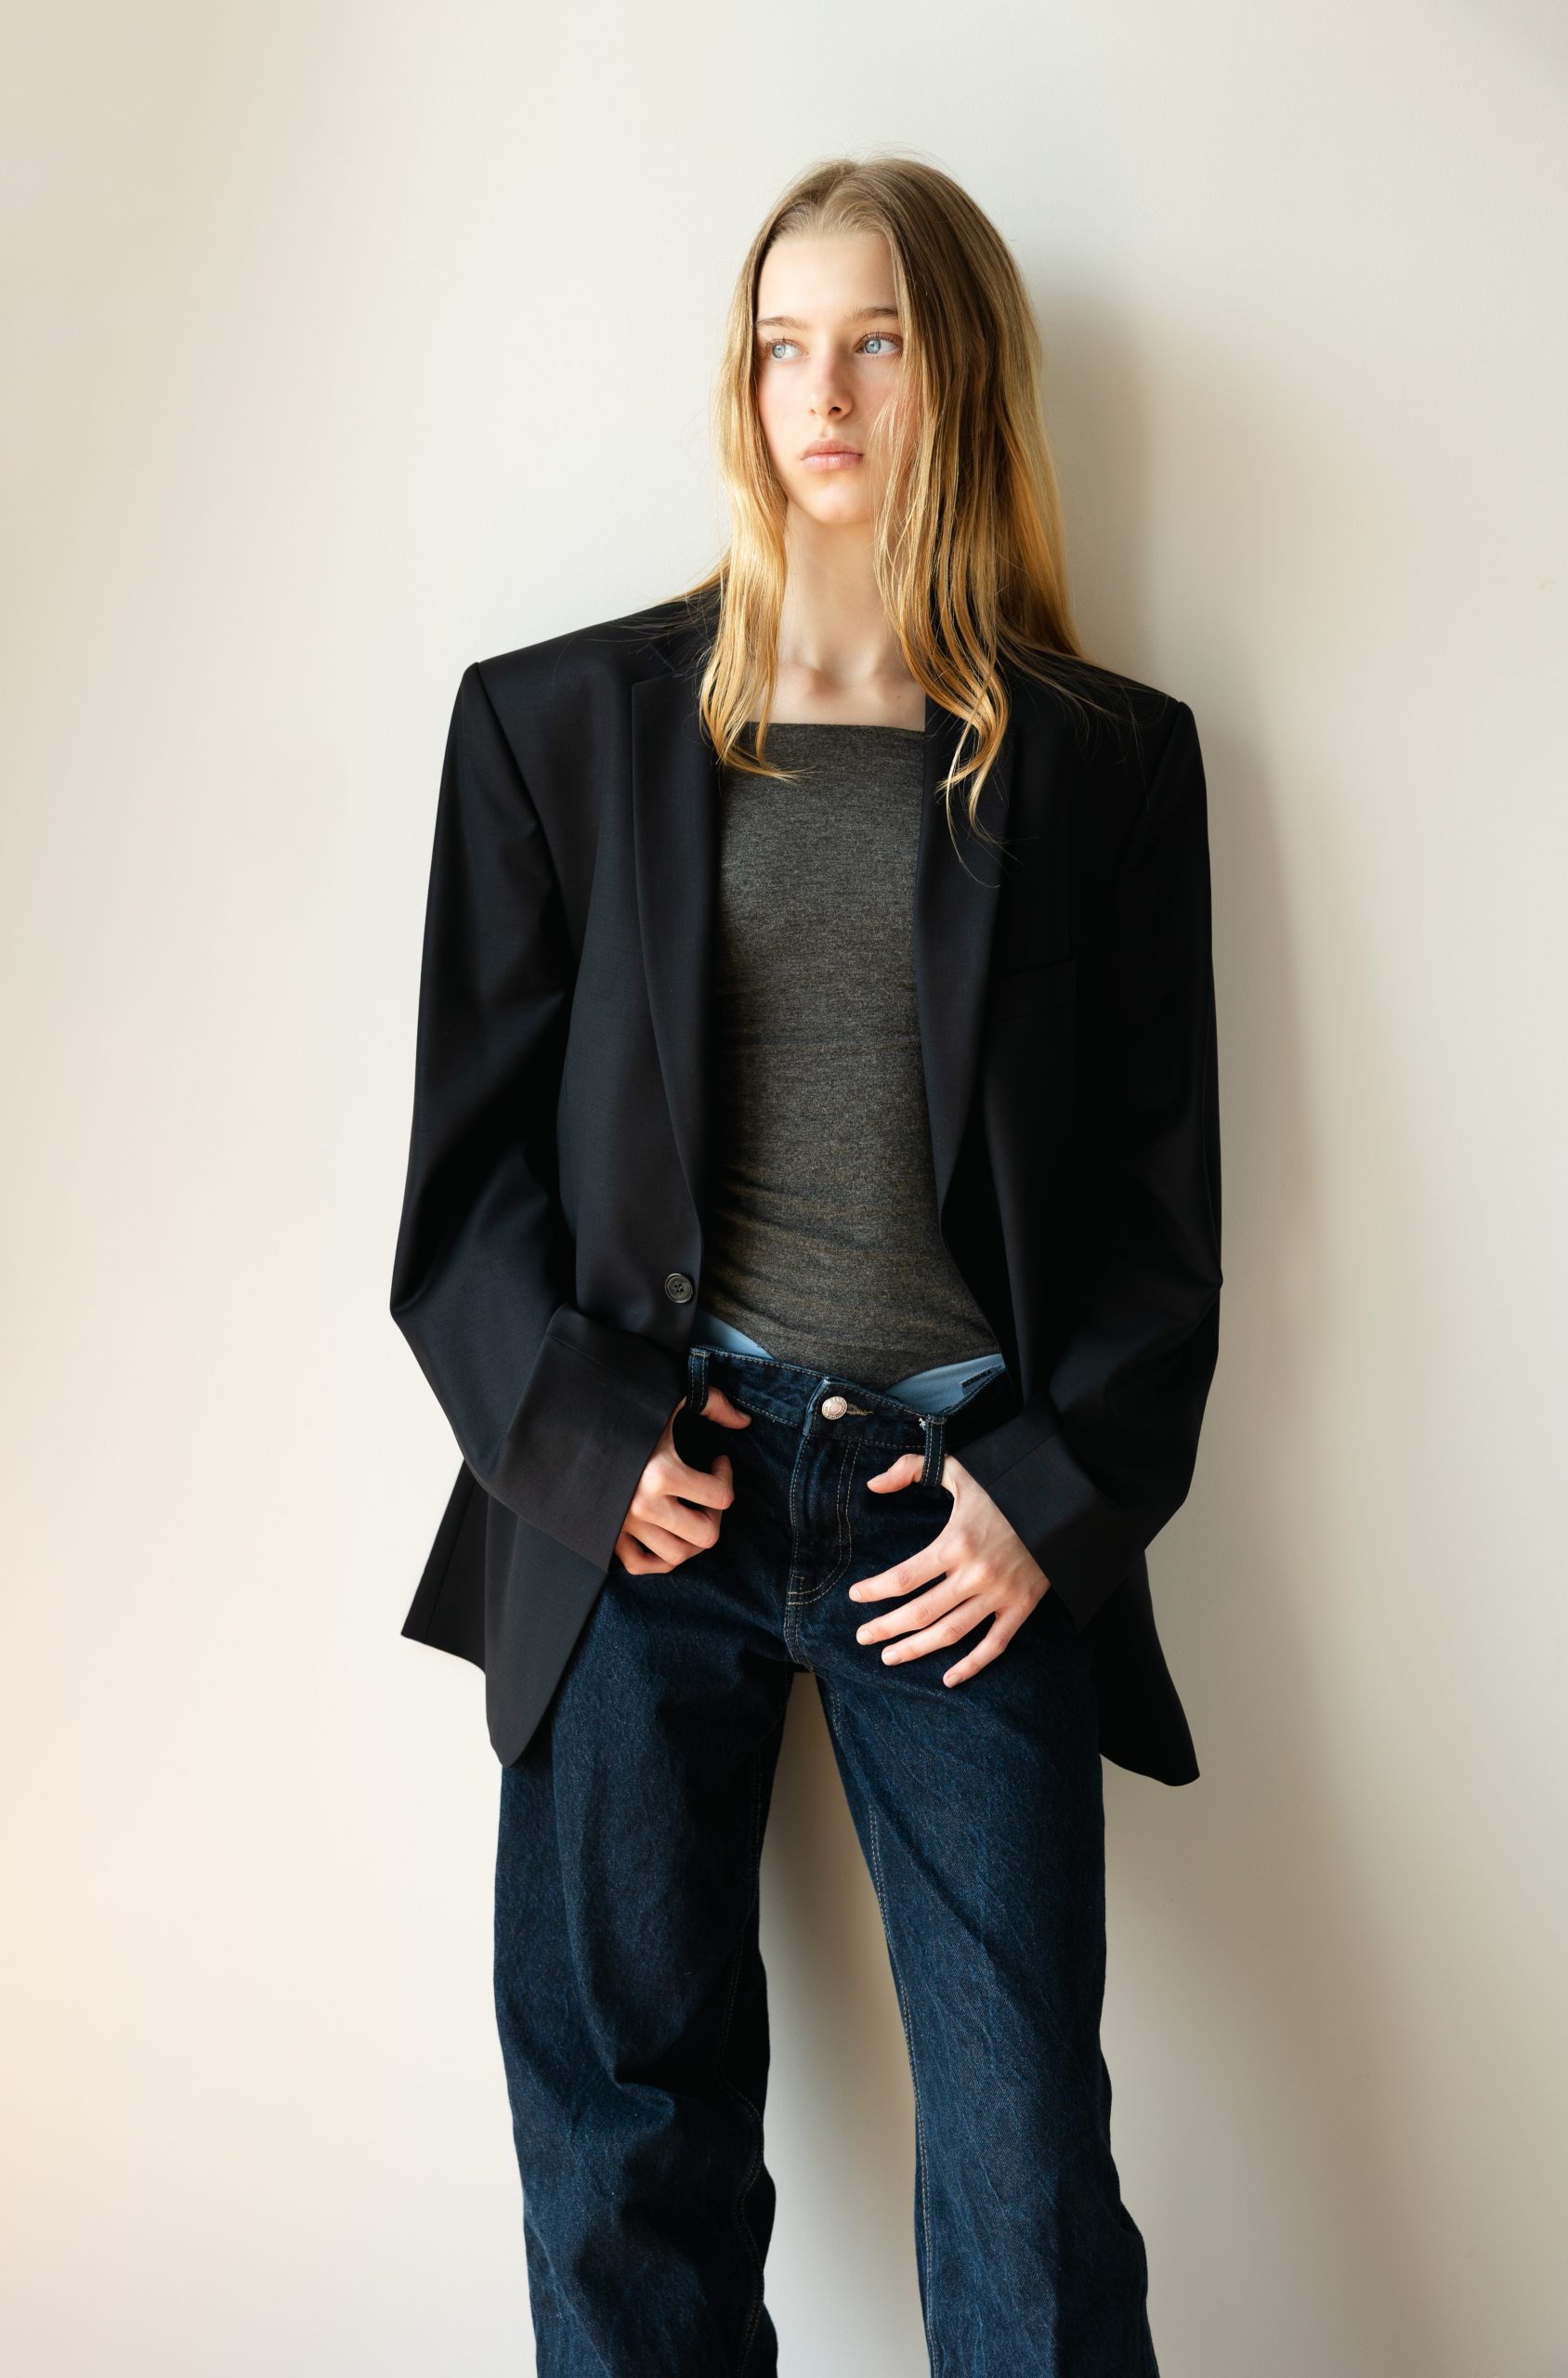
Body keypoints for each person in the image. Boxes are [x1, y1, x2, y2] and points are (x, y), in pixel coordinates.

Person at [390, 153, 1222, 2378]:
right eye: (780, 344)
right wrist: (580, 1442)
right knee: (622, 2148)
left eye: (873, 341)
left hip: (946, 1514)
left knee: (1024, 2167)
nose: (820, 392)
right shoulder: (558, 729)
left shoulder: (1105, 766)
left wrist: (1047, 1496)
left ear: (962, 376)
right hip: (641, 1503)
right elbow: (461, 1190)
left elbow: (1160, 1222)